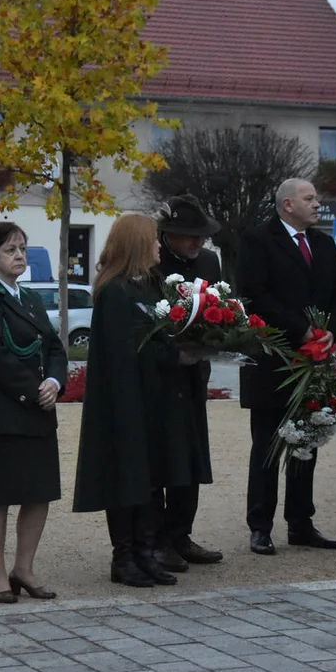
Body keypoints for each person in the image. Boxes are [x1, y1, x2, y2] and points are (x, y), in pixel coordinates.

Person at [73, 214, 197, 587]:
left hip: (150, 400)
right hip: (124, 402)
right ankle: (123, 557)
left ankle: (145, 552)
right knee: (126, 479)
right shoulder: (115, 291)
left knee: (148, 480)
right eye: (153, 240)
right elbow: (128, 350)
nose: (159, 245)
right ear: (137, 244)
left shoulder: (145, 287)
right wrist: (175, 357)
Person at [236, 178, 336, 555]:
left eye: (316, 197)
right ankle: (260, 526)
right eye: (309, 198)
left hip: (315, 360)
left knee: (307, 442)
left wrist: (331, 332)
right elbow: (254, 294)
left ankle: (301, 523)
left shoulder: (322, 243)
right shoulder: (258, 240)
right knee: (267, 446)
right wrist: (299, 329)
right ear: (288, 204)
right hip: (274, 360)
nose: (318, 204)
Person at [0, 222, 68, 603]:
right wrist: (31, 391)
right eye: (10, 250)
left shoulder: (32, 300)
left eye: (22, 248)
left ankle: (24, 567)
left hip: (37, 409)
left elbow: (55, 347)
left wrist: (55, 383)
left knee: (38, 492)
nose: (20, 255)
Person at [150, 194, 223, 573]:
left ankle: (181, 533)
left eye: (201, 236)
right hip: (159, 378)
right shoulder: (152, 263)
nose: (198, 243)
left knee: (191, 459)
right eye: (189, 236)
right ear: (168, 235)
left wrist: (217, 339)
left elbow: (224, 307)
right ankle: (158, 540)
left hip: (195, 374)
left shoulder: (209, 262)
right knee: (164, 459)